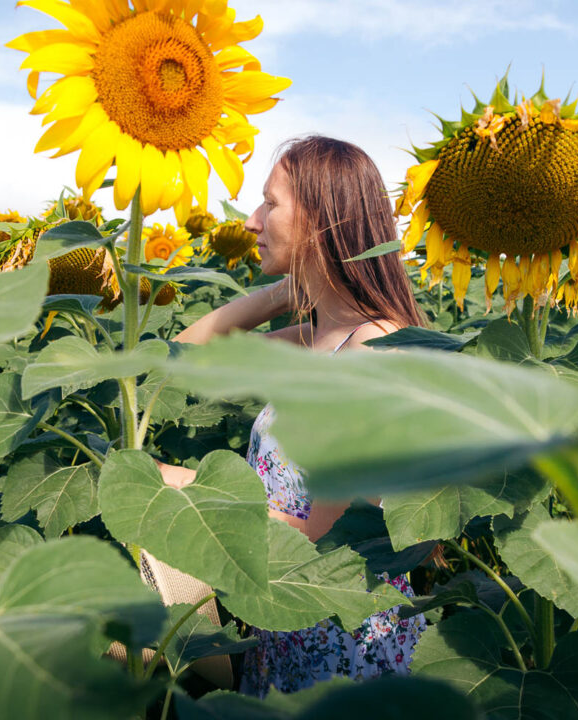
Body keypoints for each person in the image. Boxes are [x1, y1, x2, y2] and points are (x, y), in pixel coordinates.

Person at [155, 135, 428, 697]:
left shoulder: (370, 357)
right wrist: (285, 290)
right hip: (285, 632)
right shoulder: (319, 340)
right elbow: (181, 355)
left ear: (321, 222)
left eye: (270, 203)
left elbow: (321, 539)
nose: (252, 221)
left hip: (341, 654)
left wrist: (192, 489)